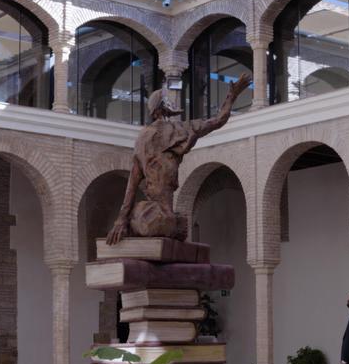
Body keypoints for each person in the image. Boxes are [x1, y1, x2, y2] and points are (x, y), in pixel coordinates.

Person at [106, 73, 252, 245]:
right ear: (163, 107)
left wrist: (121, 219)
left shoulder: (143, 139)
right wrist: (232, 95)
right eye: (168, 100)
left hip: (156, 212)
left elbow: (132, 183)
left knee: (177, 224)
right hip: (159, 214)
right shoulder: (178, 131)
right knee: (177, 225)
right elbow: (218, 120)